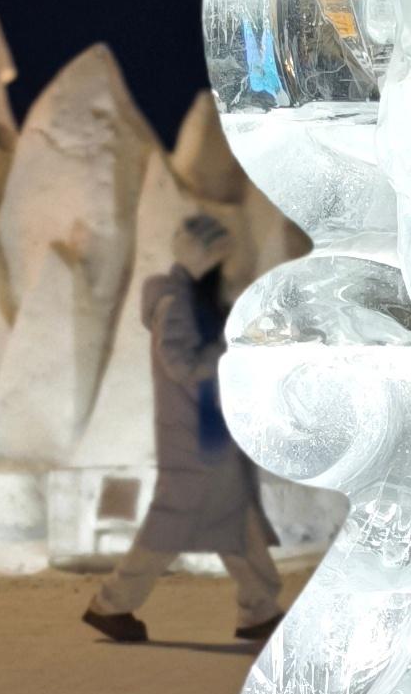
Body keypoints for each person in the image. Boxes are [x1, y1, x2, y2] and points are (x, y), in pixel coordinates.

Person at [81, 207, 285, 648]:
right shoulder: (175, 305)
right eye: (218, 259)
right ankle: (111, 604)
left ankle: (259, 609)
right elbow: (182, 365)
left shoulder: (199, 304)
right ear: (202, 259)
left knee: (237, 523)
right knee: (168, 528)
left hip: (210, 440)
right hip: (192, 444)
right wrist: (229, 347)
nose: (224, 269)